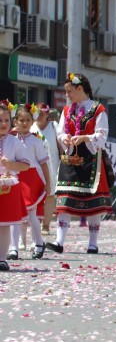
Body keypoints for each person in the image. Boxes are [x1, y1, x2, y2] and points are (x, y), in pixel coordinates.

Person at [46, 72, 112, 254]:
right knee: (65, 198)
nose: (67, 95)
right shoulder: (67, 111)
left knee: (93, 202)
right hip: (70, 158)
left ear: (80, 88)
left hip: (90, 159)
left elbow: (102, 135)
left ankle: (93, 243)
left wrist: (85, 138)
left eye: (69, 91)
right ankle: (59, 241)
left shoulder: (98, 110)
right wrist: (65, 138)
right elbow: (60, 132)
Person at [7, 104, 51, 260]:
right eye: (21, 120)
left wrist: (48, 182)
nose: (24, 123)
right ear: (15, 122)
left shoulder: (36, 141)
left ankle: (38, 243)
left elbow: (44, 163)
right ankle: (13, 248)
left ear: (32, 121)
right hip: (16, 177)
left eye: (27, 120)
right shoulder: (10, 139)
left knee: (31, 214)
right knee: (14, 214)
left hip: (32, 178)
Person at [0, 101, 30, 271]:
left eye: (6, 120)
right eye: (0, 121)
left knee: (4, 224)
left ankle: (2, 258)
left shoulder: (14, 141)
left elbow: (25, 164)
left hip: (8, 185)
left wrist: (10, 164)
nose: (4, 124)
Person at [30, 102, 60, 236]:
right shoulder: (31, 127)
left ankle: (46, 225)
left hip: (52, 166)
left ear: (47, 114)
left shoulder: (54, 126)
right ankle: (34, 222)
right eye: (36, 114)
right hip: (35, 168)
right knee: (34, 196)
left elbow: (61, 145)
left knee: (50, 195)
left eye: (41, 114)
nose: (38, 117)